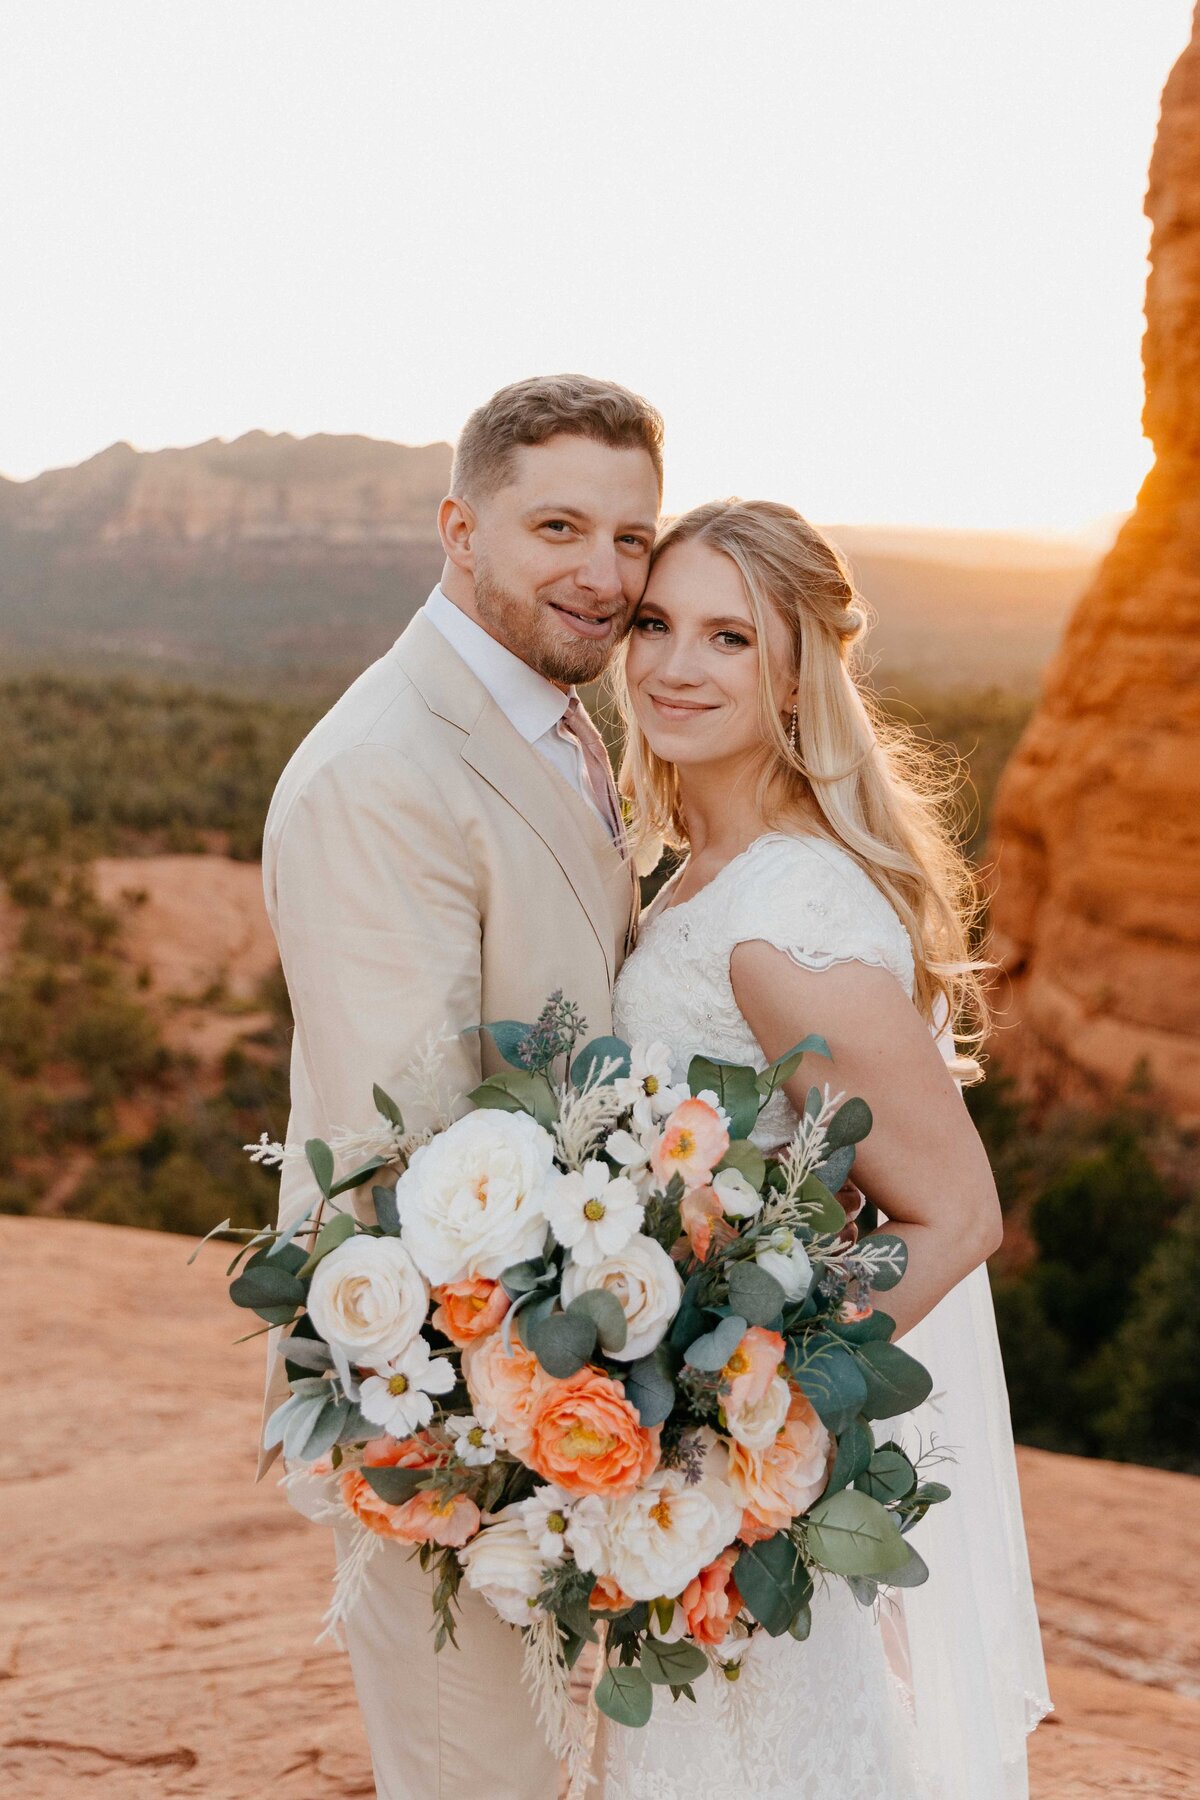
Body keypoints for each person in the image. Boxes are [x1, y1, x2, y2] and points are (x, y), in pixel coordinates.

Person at [603, 500, 1050, 1799]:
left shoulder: (776, 921)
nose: (676, 665)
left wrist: (758, 1412)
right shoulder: (702, 871)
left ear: (797, 669)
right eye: (655, 623)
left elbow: (960, 1216)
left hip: (746, 1477)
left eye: (728, 637)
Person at [259, 373, 663, 1799]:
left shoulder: (558, 720)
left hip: (575, 1404)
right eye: (558, 525)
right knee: (473, 1771)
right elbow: (403, 1156)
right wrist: (501, 1439)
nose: (604, 575)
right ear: (459, 528)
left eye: (630, 538)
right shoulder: (384, 772)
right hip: (455, 1418)